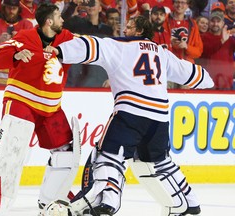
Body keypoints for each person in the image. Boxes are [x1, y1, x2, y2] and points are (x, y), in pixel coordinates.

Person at [44, 15, 214, 216]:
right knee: (159, 163)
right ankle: (189, 203)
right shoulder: (162, 52)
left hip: (130, 113)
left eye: (130, 27)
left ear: (140, 31)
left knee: (107, 156)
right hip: (159, 119)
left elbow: (91, 45)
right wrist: (206, 79)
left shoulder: (120, 46)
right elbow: (192, 74)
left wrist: (61, 50)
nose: (125, 31)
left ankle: (108, 202)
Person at [0, 3, 78, 215]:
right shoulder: (25, 36)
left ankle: (52, 198)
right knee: (11, 149)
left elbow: (90, 47)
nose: (63, 20)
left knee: (65, 153)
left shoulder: (67, 38)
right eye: (59, 17)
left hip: (51, 106)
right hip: (21, 99)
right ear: (49, 21)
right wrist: (15, 54)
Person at [0, 0, 33, 85]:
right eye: (9, 8)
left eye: (14, 8)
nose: (11, 11)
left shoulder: (27, 25)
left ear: (18, 9)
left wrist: (20, 40)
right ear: (4, 8)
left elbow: (32, 48)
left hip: (19, 74)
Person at [163, 0, 203, 89]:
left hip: (186, 67)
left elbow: (198, 52)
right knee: (167, 95)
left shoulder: (192, 24)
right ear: (173, 3)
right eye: (177, 2)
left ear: (187, 5)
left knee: (185, 97)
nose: (179, 5)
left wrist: (187, 47)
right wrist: (168, 43)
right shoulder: (164, 20)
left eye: (183, 2)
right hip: (168, 66)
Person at [200, 11, 235, 90]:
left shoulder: (230, 39)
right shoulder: (202, 37)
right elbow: (206, 52)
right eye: (213, 21)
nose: (215, 24)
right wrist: (222, 41)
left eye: (218, 21)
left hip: (226, 83)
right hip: (208, 82)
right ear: (209, 23)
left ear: (223, 23)